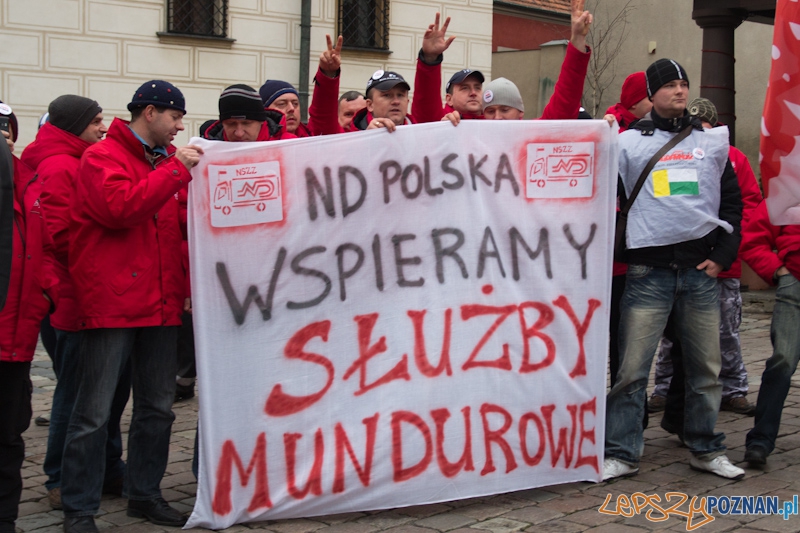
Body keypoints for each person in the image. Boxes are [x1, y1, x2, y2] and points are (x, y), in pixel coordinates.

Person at [60, 80, 203, 533]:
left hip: (160, 304)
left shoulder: (165, 161)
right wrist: (176, 170)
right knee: (94, 413)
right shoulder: (102, 157)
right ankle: (79, 508)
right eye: (175, 117)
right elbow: (120, 208)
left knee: (157, 408)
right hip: (113, 305)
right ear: (150, 113)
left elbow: (180, 232)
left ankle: (145, 494)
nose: (179, 126)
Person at [602, 59, 744, 481]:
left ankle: (705, 447)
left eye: (683, 84)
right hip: (648, 274)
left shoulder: (710, 141)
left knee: (706, 370)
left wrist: (723, 255)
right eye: (669, 85)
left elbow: (732, 203)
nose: (680, 91)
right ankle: (622, 452)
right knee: (631, 372)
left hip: (699, 274)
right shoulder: (626, 144)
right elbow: (599, 193)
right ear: (651, 94)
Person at [21, 95, 132, 510]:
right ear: (73, 125)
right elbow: (59, 238)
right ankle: (61, 477)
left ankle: (105, 468)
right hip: (75, 298)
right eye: (96, 121)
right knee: (76, 395)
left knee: (102, 393)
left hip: (89, 293)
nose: (103, 127)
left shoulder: (74, 158)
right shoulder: (60, 165)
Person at [649, 97, 762, 418]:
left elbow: (749, 206)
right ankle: (664, 388)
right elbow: (669, 201)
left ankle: (733, 390)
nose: (701, 132)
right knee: (673, 335)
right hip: (682, 264)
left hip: (723, 267)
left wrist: (726, 247)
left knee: (726, 332)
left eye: (707, 127)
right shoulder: (676, 154)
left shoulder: (735, 158)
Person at [0, 111, 58, 533]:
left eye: (7, 130)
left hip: (18, 339)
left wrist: (46, 290)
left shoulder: (27, 182)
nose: (3, 138)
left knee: (8, 437)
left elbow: (45, 248)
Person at [420, 0, 592, 125]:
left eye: (505, 110)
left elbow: (563, 106)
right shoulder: (446, 125)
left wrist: (577, 39)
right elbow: (425, 113)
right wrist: (429, 59)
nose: (497, 117)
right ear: (449, 98)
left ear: (520, 112)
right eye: (491, 111)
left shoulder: (528, 135)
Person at [740, 201, 800, 466]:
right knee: (782, 361)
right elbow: (752, 240)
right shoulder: (788, 192)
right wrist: (777, 270)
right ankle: (760, 440)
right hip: (795, 283)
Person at [203, 84, 296, 142]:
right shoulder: (206, 151)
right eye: (231, 124)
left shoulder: (290, 146)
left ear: (262, 121)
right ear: (222, 123)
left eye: (246, 123)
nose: (239, 133)